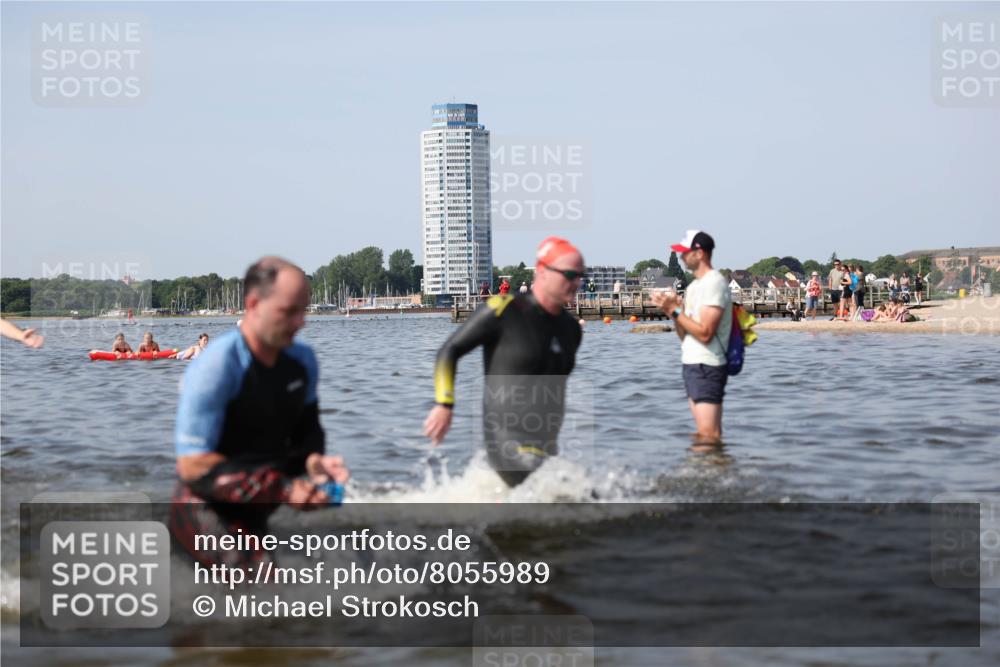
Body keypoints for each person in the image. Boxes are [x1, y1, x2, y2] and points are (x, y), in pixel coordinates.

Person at [170, 257, 349, 567]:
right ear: (254, 304)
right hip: (204, 504)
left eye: (303, 311)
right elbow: (192, 466)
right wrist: (286, 489)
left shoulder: (302, 361)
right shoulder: (217, 365)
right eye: (289, 312)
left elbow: (308, 433)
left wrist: (314, 463)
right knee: (259, 583)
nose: (300, 323)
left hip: (259, 502)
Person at [423, 237, 585, 487]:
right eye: (570, 274)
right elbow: (450, 350)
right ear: (542, 271)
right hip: (507, 445)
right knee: (578, 505)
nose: (577, 282)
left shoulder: (571, 329)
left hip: (546, 451)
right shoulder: (503, 309)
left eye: (580, 276)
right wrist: (444, 404)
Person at [651, 230, 731, 446]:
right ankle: (708, 473)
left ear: (700, 253)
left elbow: (705, 332)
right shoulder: (695, 286)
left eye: (684, 252)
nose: (681, 257)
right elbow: (685, 336)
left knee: (708, 435)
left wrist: (676, 311)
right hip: (693, 364)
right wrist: (674, 312)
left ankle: (710, 476)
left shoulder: (714, 283)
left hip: (708, 364)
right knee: (704, 433)